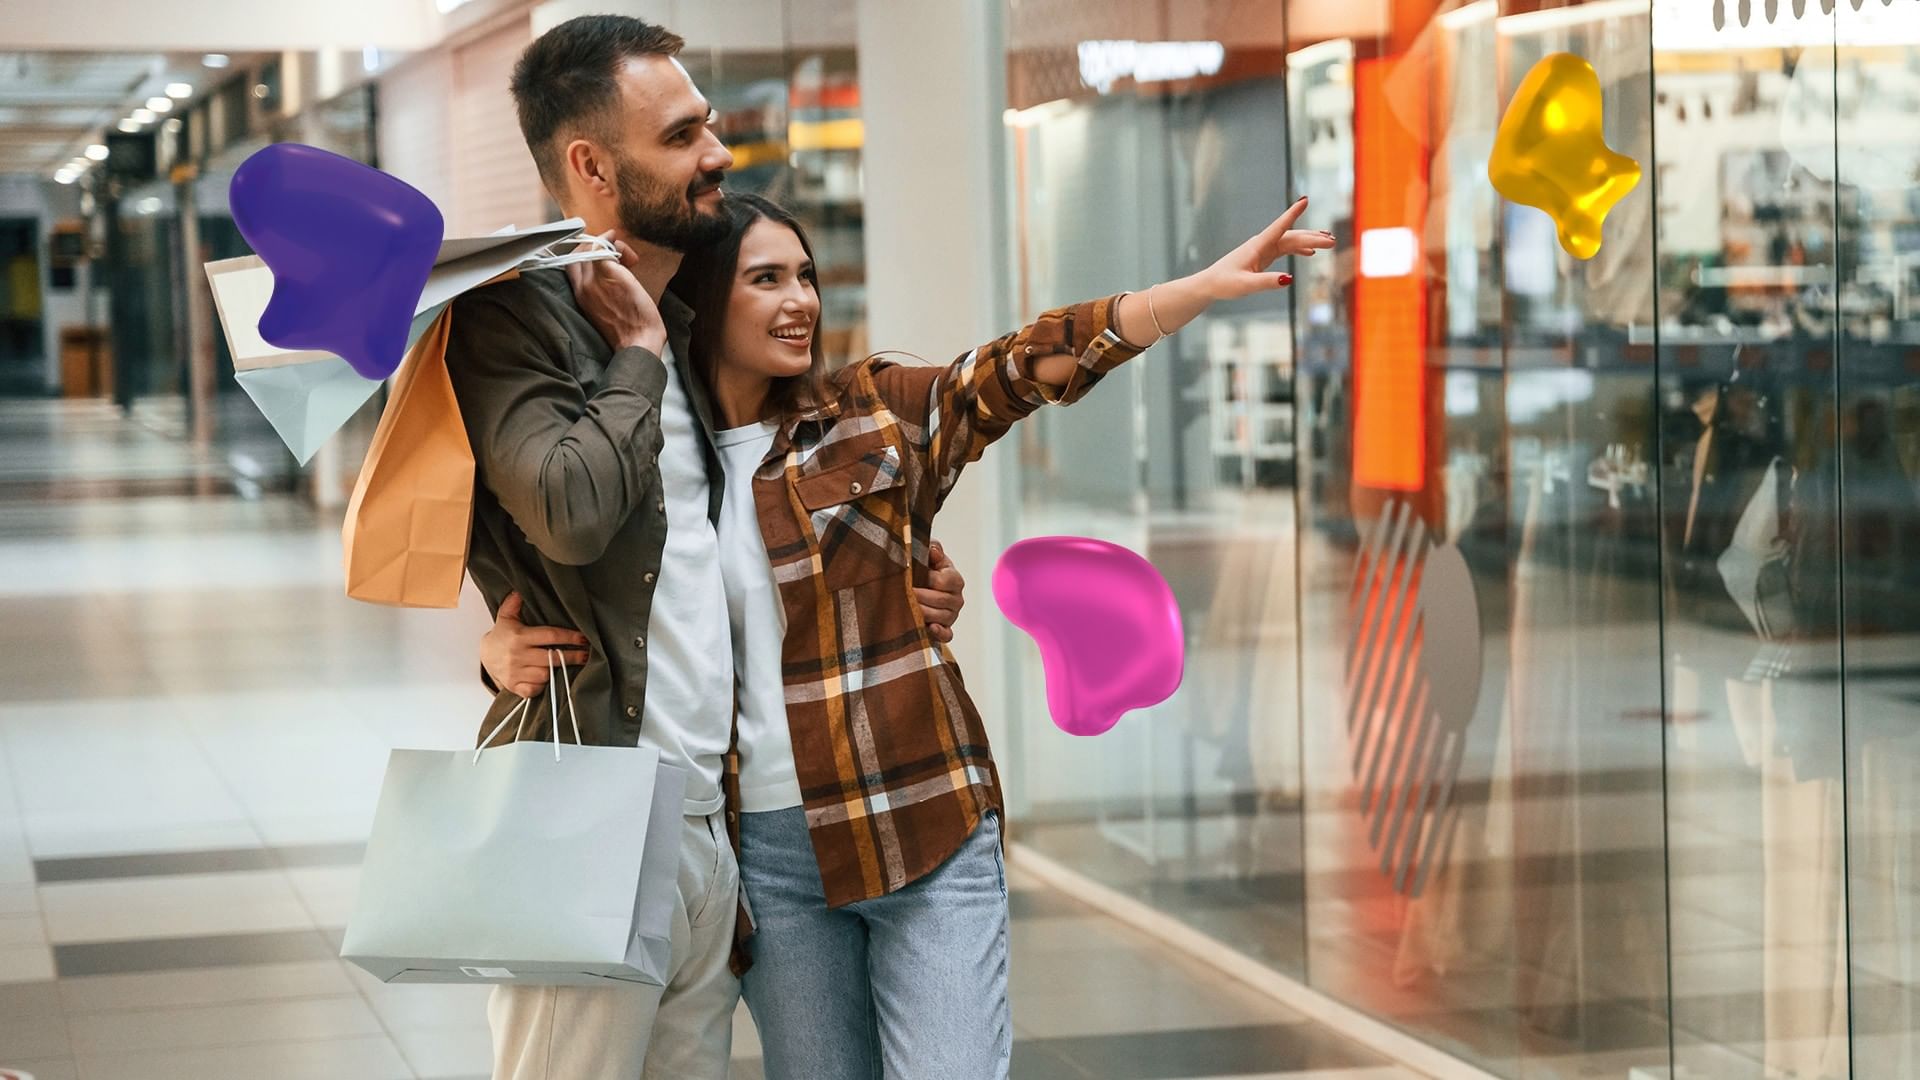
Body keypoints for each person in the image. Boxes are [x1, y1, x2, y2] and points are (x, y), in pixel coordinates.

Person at [487, 191, 1333, 1077]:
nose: (801, 301)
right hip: (771, 863)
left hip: (917, 817)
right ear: (704, 299)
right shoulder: (661, 453)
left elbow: (1017, 369)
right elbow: (593, 592)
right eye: (766, 279)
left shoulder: (871, 412)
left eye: (807, 276)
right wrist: (497, 654)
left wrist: (1188, 293)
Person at [445, 16, 964, 1079]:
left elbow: (712, 549)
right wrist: (633, 351)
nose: (718, 153)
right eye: (681, 135)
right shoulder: (519, 314)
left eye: (709, 125)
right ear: (592, 166)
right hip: (591, 805)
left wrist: (896, 581)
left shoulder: (689, 318)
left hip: (708, 820)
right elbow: (569, 511)